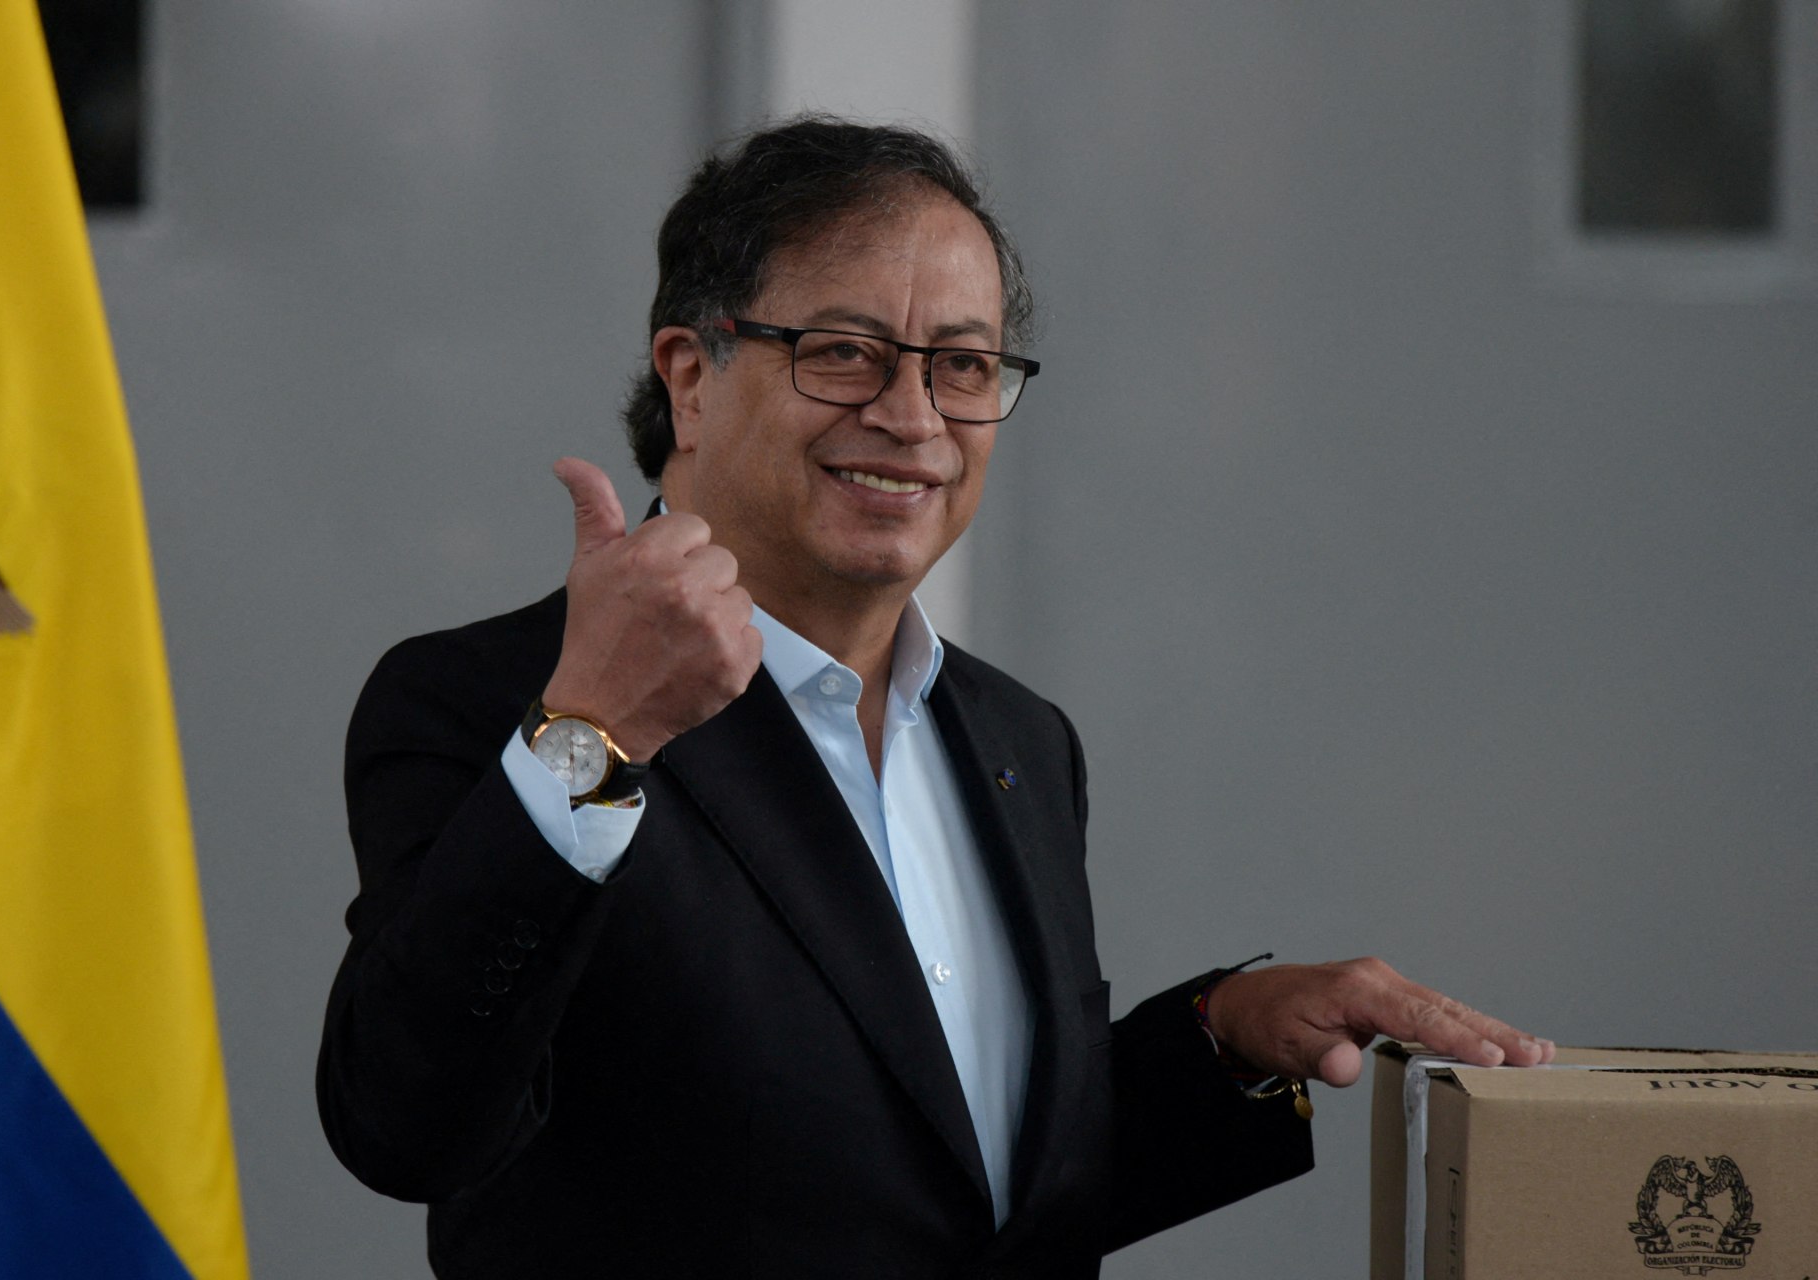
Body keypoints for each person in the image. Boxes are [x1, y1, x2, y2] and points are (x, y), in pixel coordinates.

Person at [317, 117, 1551, 1278]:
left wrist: (1223, 1032)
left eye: (962, 364)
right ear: (690, 378)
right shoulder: (493, 703)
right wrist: (593, 732)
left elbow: (952, 1182)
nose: (912, 418)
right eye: (844, 352)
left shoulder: (1022, 741)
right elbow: (409, 1125)